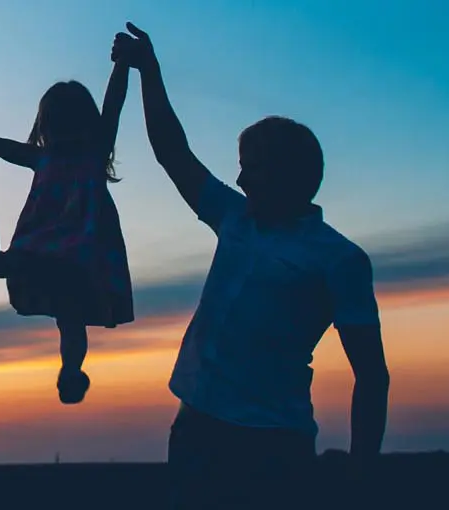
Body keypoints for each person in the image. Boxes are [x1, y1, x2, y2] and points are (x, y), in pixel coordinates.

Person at [112, 23, 390, 509]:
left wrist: (362, 469)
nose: (239, 179)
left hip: (271, 443)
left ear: (291, 175)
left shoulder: (339, 259)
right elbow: (172, 152)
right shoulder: (234, 217)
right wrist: (148, 71)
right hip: (195, 425)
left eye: (253, 167)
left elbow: (371, 375)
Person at [0, 61, 137, 405]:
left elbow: (113, 103)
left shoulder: (74, 155)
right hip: (66, 254)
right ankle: (70, 370)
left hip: (62, 250)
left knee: (61, 306)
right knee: (69, 317)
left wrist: (123, 66)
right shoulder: (63, 157)